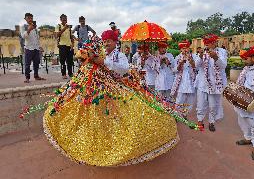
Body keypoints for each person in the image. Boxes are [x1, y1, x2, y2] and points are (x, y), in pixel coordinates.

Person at [43, 30, 179, 166]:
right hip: (99, 93)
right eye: (105, 40)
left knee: (124, 118)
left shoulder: (119, 56)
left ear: (116, 42)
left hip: (117, 91)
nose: (106, 43)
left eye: (109, 40)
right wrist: (88, 55)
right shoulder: (99, 52)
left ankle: (118, 146)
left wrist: (104, 62)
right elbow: (80, 57)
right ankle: (97, 144)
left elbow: (124, 68)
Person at [195, 34, 227, 131]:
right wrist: (200, 57)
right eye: (207, 43)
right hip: (202, 83)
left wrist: (216, 58)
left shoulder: (222, 52)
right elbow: (196, 65)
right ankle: (200, 120)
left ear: (215, 43)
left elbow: (223, 66)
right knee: (201, 103)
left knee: (213, 105)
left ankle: (211, 122)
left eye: (211, 43)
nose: (209, 45)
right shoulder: (202, 52)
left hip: (215, 84)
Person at [171, 40, 197, 120]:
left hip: (191, 81)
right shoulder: (178, 57)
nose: (185, 50)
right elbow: (174, 70)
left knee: (190, 101)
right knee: (179, 100)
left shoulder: (194, 56)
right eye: (183, 48)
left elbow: (196, 67)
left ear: (189, 48)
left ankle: (185, 114)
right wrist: (180, 64)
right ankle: (177, 115)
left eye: (186, 48)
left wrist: (190, 60)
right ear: (180, 50)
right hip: (181, 82)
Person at [20, 13, 46, 83]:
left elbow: (36, 38)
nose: (30, 19)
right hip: (28, 48)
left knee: (36, 63)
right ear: (25, 19)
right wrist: (29, 29)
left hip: (36, 48)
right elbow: (23, 36)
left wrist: (39, 46)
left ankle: (36, 76)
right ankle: (27, 78)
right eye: (28, 18)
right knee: (27, 64)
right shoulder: (23, 27)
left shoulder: (35, 28)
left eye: (31, 18)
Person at [55, 14, 74, 79]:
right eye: (63, 20)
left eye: (66, 19)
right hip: (62, 45)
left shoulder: (69, 27)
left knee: (70, 61)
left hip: (69, 45)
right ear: (61, 20)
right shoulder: (58, 26)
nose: (65, 21)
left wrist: (73, 44)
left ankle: (70, 73)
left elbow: (71, 37)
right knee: (62, 61)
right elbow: (57, 35)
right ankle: (63, 74)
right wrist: (64, 28)